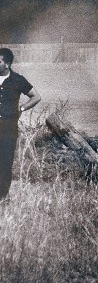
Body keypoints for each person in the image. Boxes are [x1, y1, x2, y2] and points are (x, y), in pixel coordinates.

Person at [0, 47, 41, 200]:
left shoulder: (18, 80)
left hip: (8, 128)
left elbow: (36, 97)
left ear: (7, 64)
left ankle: (3, 198)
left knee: (5, 163)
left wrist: (22, 108)